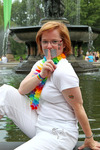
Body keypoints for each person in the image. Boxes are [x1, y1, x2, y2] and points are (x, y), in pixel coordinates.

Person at [0, 21, 100, 150]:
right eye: (45, 41)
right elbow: (22, 90)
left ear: (63, 44)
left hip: (60, 132)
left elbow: (78, 107)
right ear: (40, 43)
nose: (49, 46)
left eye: (54, 41)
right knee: (5, 91)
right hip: (39, 124)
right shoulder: (40, 65)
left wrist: (89, 138)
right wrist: (41, 75)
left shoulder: (63, 71)